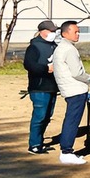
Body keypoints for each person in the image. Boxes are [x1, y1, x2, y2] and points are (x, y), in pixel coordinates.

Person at [51, 20, 90, 166]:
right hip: (75, 90)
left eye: (79, 31)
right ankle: (66, 151)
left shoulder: (61, 48)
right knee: (72, 121)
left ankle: (66, 151)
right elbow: (77, 73)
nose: (78, 34)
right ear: (65, 33)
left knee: (71, 120)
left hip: (70, 89)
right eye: (75, 32)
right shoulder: (69, 49)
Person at [22, 20, 60, 154]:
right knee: (40, 116)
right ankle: (34, 144)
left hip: (52, 87)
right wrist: (46, 68)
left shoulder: (54, 46)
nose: (53, 33)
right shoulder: (34, 47)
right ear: (42, 31)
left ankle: (40, 141)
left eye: (54, 31)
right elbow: (29, 65)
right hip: (39, 87)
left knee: (48, 116)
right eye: (51, 31)